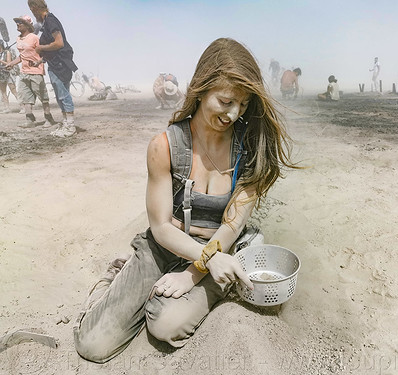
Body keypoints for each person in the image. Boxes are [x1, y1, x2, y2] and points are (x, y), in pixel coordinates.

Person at [73, 37, 297, 363]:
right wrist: (197, 262)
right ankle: (122, 275)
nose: (234, 114)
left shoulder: (249, 151)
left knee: (165, 324)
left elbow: (230, 228)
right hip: (165, 248)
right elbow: (161, 227)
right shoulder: (163, 147)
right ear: (201, 88)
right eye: (225, 101)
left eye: (244, 105)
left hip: (222, 247)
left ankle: (241, 260)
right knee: (92, 346)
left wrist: (195, 272)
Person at [28, 0, 78, 137]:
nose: (33, 14)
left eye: (32, 10)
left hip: (60, 65)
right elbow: (53, 50)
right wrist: (40, 61)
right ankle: (66, 123)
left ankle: (71, 126)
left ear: (35, 8)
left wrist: (40, 48)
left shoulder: (50, 21)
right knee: (60, 96)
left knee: (63, 95)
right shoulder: (47, 22)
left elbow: (59, 43)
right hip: (55, 63)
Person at [4, 15, 58, 127]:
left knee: (43, 97)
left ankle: (49, 119)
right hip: (24, 72)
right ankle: (30, 120)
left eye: (21, 23)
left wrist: (39, 62)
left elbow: (44, 52)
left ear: (28, 26)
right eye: (17, 22)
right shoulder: (18, 39)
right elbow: (22, 56)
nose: (18, 24)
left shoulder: (34, 38)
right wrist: (11, 63)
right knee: (26, 97)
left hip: (36, 72)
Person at [0, 40, 22, 113]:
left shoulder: (7, 52)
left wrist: (1, 61)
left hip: (8, 73)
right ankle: (7, 108)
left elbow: (9, 63)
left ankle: (22, 107)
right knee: (3, 92)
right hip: (1, 74)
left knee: (13, 90)